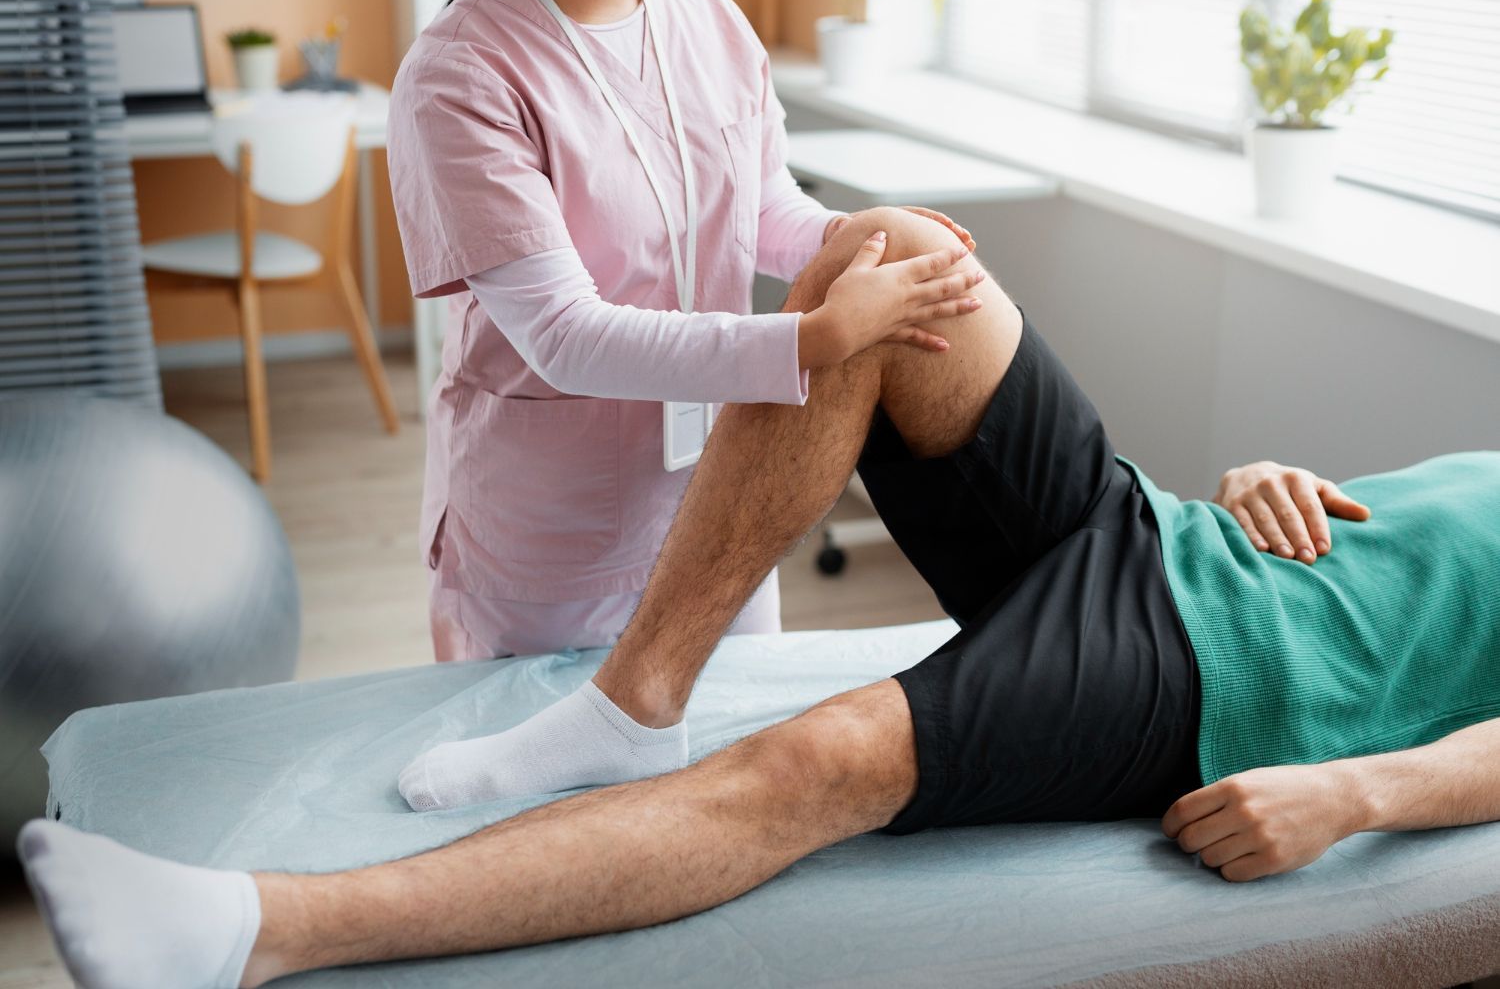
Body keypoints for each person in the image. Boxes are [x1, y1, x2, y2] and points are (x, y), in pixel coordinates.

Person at [19, 208, 1500, 989]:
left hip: (1205, 680)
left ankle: (254, 929)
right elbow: (1423, 555)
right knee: (886, 255)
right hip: (1169, 537)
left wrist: (1354, 798)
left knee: (817, 761)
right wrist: (1263, 473)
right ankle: (635, 701)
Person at [388, 0, 982, 662]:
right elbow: (561, 333)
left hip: (722, 497)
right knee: (564, 762)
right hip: (553, 537)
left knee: (735, 748)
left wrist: (851, 240)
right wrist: (821, 337)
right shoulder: (461, 71)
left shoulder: (709, 17)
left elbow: (756, 205)